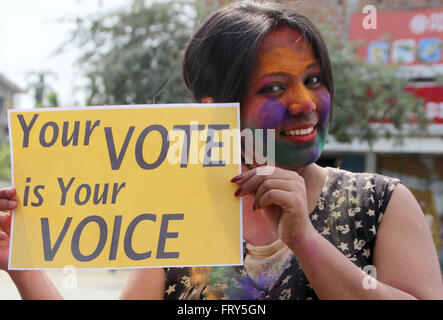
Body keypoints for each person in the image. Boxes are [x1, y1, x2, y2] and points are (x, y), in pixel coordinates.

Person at [0, 0, 442, 300]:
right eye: (273, 87)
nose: (305, 103)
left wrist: (305, 241)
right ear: (213, 110)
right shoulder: (173, 220)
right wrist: (21, 265)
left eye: (313, 79)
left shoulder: (379, 203)